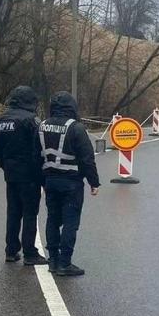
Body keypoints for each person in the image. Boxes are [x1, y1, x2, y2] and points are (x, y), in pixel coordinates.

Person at [39, 91, 99, 277]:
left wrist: (41, 180)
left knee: (52, 220)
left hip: (50, 181)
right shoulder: (76, 128)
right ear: (71, 107)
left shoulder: (42, 126)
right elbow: (87, 158)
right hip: (71, 182)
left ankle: (53, 261)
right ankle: (65, 263)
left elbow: (35, 155)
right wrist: (93, 182)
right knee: (70, 223)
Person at [0, 85, 47, 265]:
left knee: (13, 212)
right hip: (29, 175)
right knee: (30, 213)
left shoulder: (0, 120)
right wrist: (40, 173)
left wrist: (5, 166)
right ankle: (30, 253)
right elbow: (38, 149)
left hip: (11, 174)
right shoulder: (31, 120)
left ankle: (11, 250)